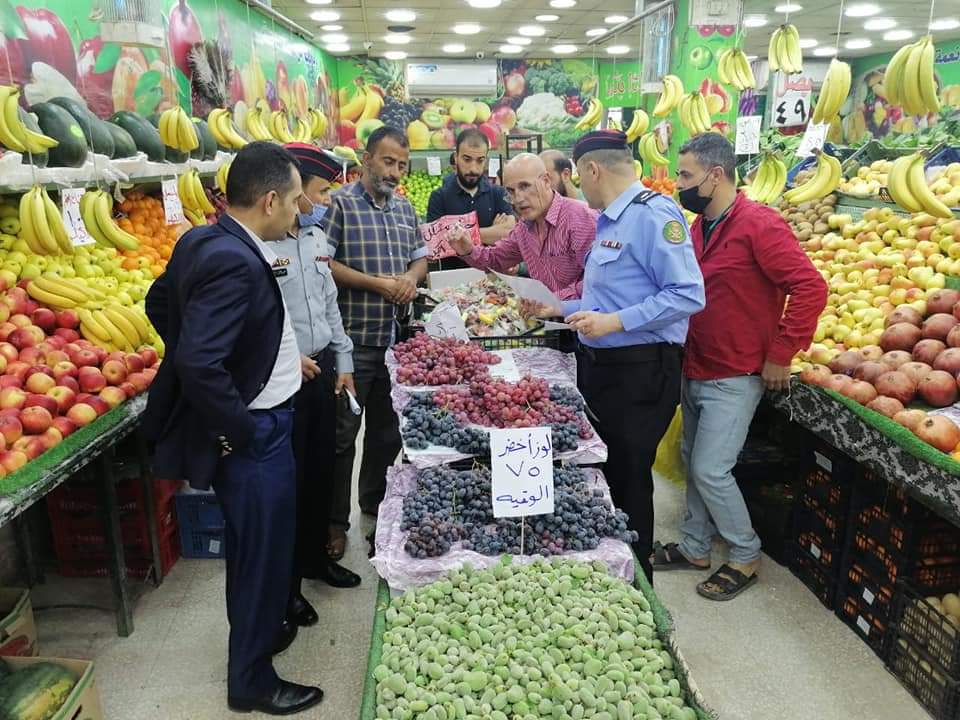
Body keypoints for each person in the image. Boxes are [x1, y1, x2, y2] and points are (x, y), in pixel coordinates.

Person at [142, 142, 323, 715]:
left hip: (262, 421)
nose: (298, 212)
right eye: (294, 201)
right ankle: (252, 681)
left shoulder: (204, 240)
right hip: (256, 434)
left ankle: (260, 639)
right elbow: (199, 361)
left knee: (257, 549)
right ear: (269, 200)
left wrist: (257, 358)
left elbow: (159, 303)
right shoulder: (233, 259)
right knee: (260, 558)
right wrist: (237, 427)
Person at [652, 133, 827, 600]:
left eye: (686, 175)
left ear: (715, 175)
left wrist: (782, 353)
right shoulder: (699, 227)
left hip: (736, 372)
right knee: (692, 459)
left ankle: (745, 553)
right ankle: (695, 546)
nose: (679, 184)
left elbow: (810, 287)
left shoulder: (759, 225)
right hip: (697, 363)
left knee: (712, 469)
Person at [564, 130, 706, 584]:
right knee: (605, 475)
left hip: (640, 372)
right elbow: (609, 298)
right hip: (604, 370)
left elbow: (687, 294)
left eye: (578, 176)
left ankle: (636, 582)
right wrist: (558, 309)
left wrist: (615, 322)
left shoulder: (652, 215)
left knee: (628, 480)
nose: (579, 186)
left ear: (592, 170)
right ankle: (611, 574)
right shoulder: (610, 221)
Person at [323, 125, 428, 559]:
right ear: (366, 159)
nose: (395, 171)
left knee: (386, 433)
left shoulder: (405, 208)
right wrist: (376, 284)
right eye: (388, 161)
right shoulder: (339, 204)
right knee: (342, 436)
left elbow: (420, 258)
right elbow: (324, 262)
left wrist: (409, 279)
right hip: (352, 343)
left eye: (402, 165)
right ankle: (334, 523)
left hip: (394, 343)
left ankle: (375, 504)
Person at [277, 144, 362, 631]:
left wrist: (343, 360)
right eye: (322, 191)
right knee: (291, 482)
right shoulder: (263, 245)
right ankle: (287, 588)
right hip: (287, 376)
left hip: (324, 367)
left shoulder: (314, 238)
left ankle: (316, 560)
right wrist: (287, 359)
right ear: (295, 190)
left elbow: (330, 305)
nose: (327, 200)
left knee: (323, 469)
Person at [447, 153, 597, 301]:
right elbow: (495, 259)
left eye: (525, 186)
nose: (518, 199)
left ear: (546, 181)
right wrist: (468, 250)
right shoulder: (524, 229)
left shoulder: (580, 219)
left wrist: (553, 301)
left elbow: (597, 282)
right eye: (511, 191)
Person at [427, 128, 515, 269]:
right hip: (452, 278)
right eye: (467, 159)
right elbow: (436, 244)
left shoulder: (498, 193)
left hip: (491, 276)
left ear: (486, 160)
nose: (473, 168)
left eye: (480, 160)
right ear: (456, 157)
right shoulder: (439, 197)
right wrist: (492, 232)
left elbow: (508, 233)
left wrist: (460, 236)